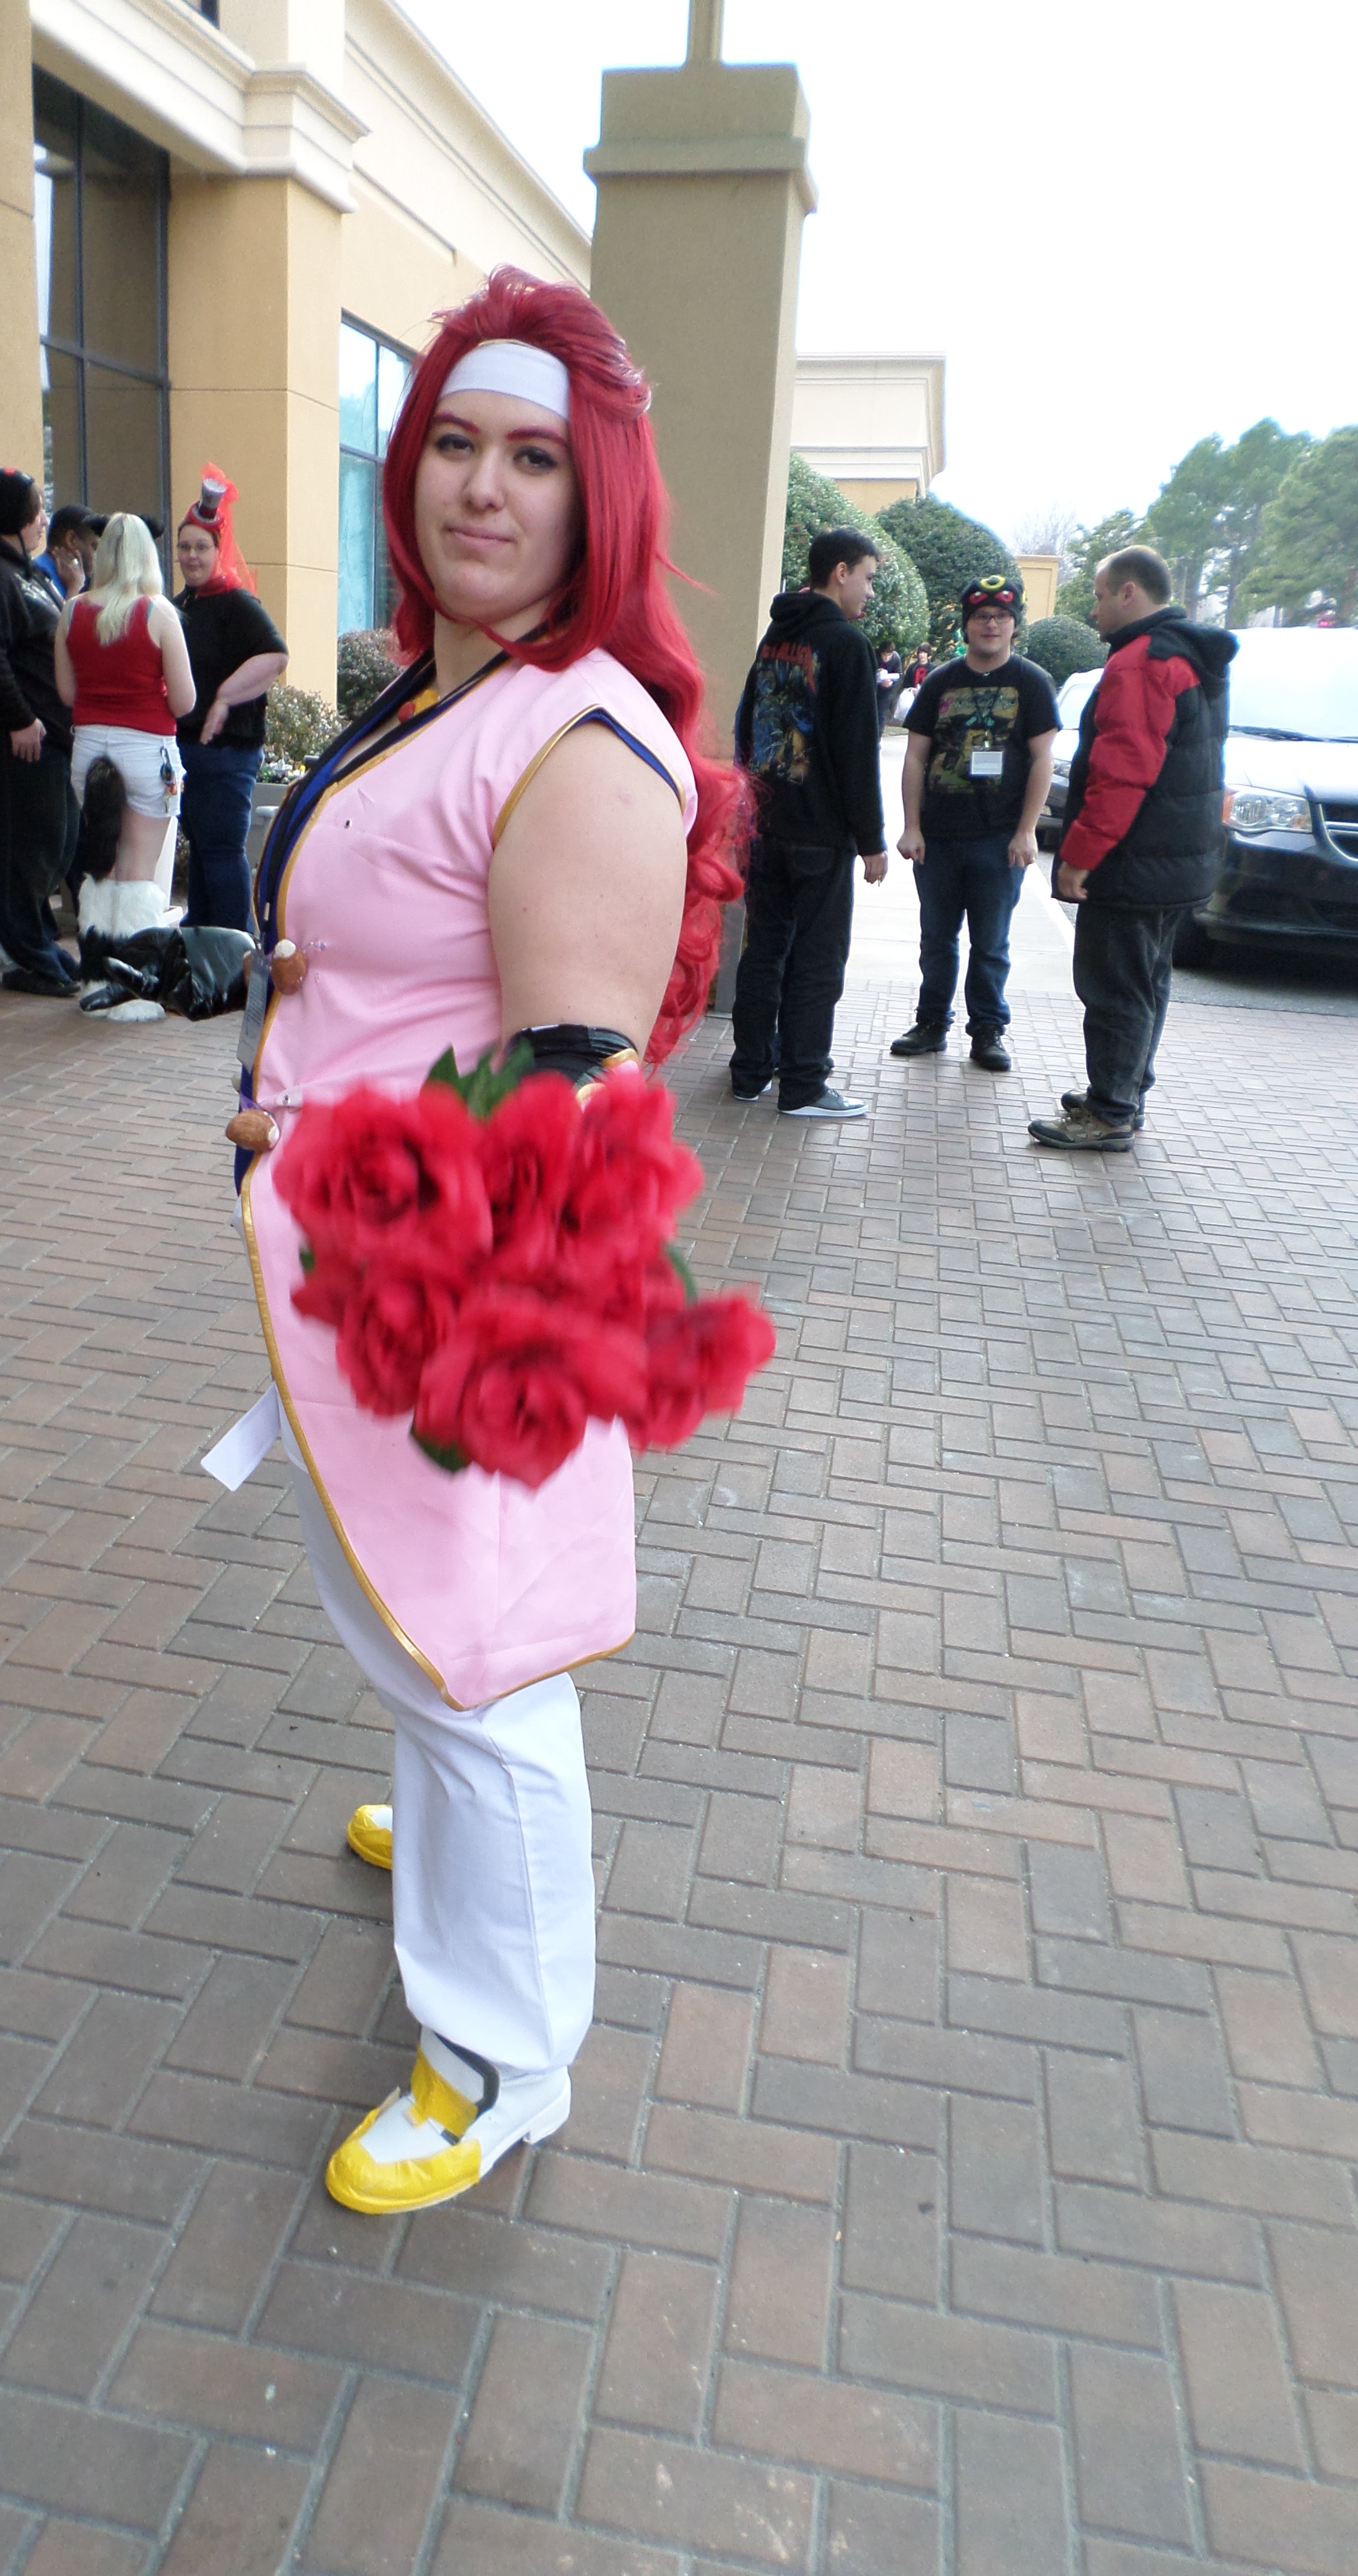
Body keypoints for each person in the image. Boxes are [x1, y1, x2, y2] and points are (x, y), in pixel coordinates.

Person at [230, 267, 743, 2216]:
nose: (480, 487)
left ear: (595, 496)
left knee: (486, 1666)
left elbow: (569, 1102)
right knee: (415, 1630)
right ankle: (445, 1811)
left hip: (451, 1308)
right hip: (345, 1276)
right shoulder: (444, 693)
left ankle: (499, 2059)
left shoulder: (574, 737)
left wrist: (482, 1371)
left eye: (534, 458)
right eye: (452, 441)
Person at [1030, 545, 1235, 1150]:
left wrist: (1079, 858)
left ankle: (1109, 1111)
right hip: (1178, 860)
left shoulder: (1142, 662)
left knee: (1115, 985)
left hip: (1134, 862)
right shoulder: (1190, 656)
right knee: (1147, 980)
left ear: (1129, 593)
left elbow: (1122, 774)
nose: (1093, 610)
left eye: (1099, 596)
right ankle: (1124, 1092)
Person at [728, 528, 889, 1118]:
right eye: (867, 578)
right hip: (819, 836)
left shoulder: (776, 638)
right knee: (818, 962)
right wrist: (871, 840)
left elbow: (747, 722)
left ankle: (750, 1071)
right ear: (841, 572)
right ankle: (803, 1085)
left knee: (764, 951)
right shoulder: (845, 644)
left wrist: (746, 809)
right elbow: (856, 749)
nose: (869, 591)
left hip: (766, 825)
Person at [890, 574, 1059, 1072]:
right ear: (967, 625)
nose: (991, 625)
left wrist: (1027, 831)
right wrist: (911, 826)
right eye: (982, 617)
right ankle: (931, 1023)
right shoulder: (940, 682)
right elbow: (915, 757)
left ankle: (987, 1030)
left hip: (999, 839)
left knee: (991, 943)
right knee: (936, 939)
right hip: (939, 837)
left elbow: (1042, 760)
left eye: (1002, 617)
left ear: (1014, 625)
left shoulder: (1031, 683)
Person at [0, 468, 81, 996]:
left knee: (55, 843)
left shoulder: (22, 573)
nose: (44, 519)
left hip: (49, 739)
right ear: (15, 519)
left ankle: (38, 941)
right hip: (18, 741)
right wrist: (19, 719)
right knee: (23, 849)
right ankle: (23, 956)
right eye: (37, 510)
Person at [53, 513, 196, 913]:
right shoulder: (159, 613)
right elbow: (184, 702)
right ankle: (135, 950)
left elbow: (67, 693)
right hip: (148, 752)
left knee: (105, 866)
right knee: (140, 871)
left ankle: (98, 945)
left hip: (88, 749)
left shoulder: (71, 611)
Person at [172, 469, 289, 933]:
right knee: (204, 850)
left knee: (221, 851)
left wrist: (224, 699)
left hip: (228, 752)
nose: (192, 556)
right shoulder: (180, 605)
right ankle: (203, 939)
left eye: (201, 547)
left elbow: (275, 657)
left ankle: (235, 947)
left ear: (219, 550)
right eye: (185, 547)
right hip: (188, 751)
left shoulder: (238, 603)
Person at [36, 503, 96, 604]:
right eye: (94, 547)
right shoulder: (38, 576)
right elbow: (60, 615)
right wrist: (74, 588)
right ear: (71, 540)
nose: (98, 555)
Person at [875, 642, 903, 729]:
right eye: (885, 655)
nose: (887, 658)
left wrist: (892, 682)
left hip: (886, 691)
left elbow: (899, 674)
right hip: (873, 689)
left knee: (881, 714)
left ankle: (878, 735)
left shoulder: (896, 658)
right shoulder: (875, 656)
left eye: (889, 655)